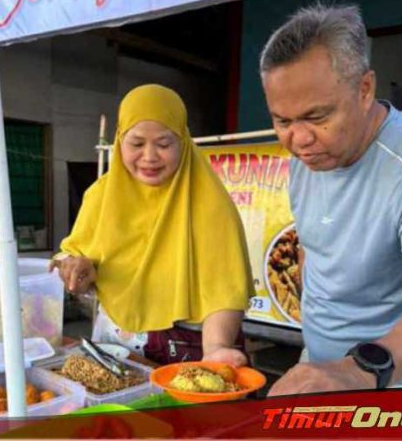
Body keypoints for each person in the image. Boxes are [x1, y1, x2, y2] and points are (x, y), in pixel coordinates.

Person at [258, 4, 402, 394]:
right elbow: (313, 249)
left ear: (364, 89)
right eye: (283, 121)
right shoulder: (306, 159)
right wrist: (316, 360)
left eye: (317, 116)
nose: (300, 139)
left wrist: (358, 371)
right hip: (321, 376)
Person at [51, 84, 254, 366]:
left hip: (192, 350)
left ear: (183, 141)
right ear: (120, 140)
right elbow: (69, 254)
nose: (149, 157)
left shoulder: (210, 203)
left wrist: (217, 347)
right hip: (115, 346)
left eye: (163, 144)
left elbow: (226, 290)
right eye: (136, 144)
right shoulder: (100, 195)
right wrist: (73, 268)